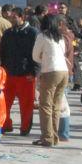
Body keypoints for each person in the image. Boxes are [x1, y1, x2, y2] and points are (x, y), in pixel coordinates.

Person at [0, 7, 39, 136]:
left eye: (14, 16)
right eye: (11, 16)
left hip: (26, 74)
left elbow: (37, 54)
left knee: (26, 104)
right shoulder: (8, 33)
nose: (11, 19)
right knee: (4, 102)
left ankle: (25, 127)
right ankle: (6, 124)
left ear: (22, 17)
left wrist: (34, 72)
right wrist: (2, 68)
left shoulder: (32, 33)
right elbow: (2, 52)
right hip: (9, 73)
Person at [31, 14, 70, 148]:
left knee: (45, 105)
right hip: (64, 72)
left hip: (50, 71)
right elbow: (63, 52)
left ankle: (47, 137)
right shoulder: (60, 37)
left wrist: (44, 60)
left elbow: (35, 55)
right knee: (56, 106)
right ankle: (54, 136)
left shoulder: (42, 36)